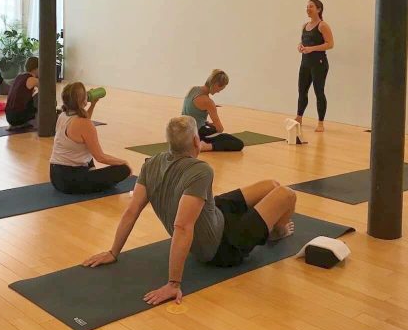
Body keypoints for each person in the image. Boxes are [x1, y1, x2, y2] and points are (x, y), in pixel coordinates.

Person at [83, 116, 296, 305]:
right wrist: (173, 283)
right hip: (222, 246)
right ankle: (278, 232)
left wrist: (113, 252)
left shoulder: (151, 163)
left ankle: (268, 224)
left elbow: (132, 211)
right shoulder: (201, 170)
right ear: (196, 141)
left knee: (271, 185)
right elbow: (182, 226)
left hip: (215, 217)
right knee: (287, 194)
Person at [49, 82, 132, 194]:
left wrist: (93, 104)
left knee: (86, 150)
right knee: (123, 169)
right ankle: (93, 178)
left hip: (55, 176)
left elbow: (83, 121)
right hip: (70, 181)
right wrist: (124, 162)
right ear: (83, 100)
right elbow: (100, 157)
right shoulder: (84, 123)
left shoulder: (63, 116)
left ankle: (91, 174)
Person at [296, 0, 335, 132]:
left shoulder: (322, 26)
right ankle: (299, 118)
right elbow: (303, 42)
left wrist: (312, 49)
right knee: (302, 91)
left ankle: (320, 123)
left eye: (311, 7)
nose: (308, 9)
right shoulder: (304, 26)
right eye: (307, 7)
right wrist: (300, 46)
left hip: (319, 64)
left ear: (318, 9)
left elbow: (330, 44)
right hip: (305, 63)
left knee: (319, 92)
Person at [182, 69, 243, 152]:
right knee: (238, 143)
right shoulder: (208, 102)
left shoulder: (192, 89)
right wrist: (212, 120)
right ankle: (205, 146)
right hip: (197, 135)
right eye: (220, 89)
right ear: (216, 84)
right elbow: (220, 129)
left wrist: (206, 123)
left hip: (183, 132)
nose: (219, 92)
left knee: (209, 128)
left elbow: (191, 111)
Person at [5, 56, 39, 129]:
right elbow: (47, 91)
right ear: (36, 68)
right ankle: (37, 121)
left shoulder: (19, 76)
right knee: (39, 95)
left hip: (9, 116)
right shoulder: (32, 79)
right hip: (18, 117)